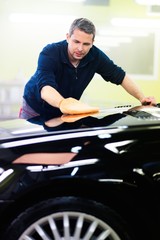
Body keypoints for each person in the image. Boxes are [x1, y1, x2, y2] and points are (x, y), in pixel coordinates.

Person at [19, 17, 157, 119]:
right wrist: (63, 103)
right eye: (76, 42)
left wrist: (142, 98)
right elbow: (45, 88)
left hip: (65, 111)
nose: (80, 48)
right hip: (35, 107)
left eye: (86, 44)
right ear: (68, 37)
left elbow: (120, 76)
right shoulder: (50, 53)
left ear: (92, 42)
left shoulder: (95, 56)